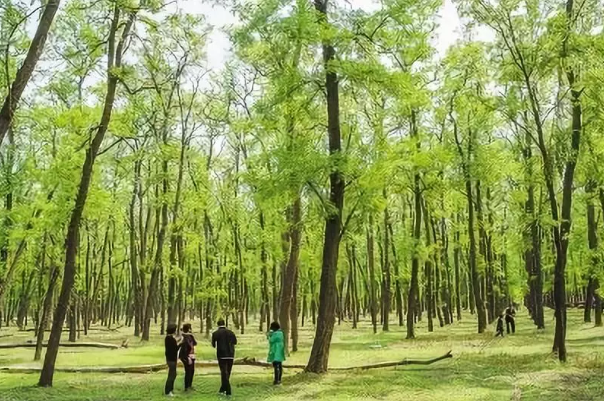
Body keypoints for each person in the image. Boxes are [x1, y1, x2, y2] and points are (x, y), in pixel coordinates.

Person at [212, 318, 238, 397]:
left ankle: (228, 391)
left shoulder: (216, 333)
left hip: (221, 355)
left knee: (224, 372)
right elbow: (235, 342)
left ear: (218, 325)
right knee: (227, 372)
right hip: (231, 354)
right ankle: (222, 389)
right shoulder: (231, 332)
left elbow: (213, 345)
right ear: (224, 324)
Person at [179, 323, 197, 392]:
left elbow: (195, 343)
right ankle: (186, 387)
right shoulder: (183, 337)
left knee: (192, 371)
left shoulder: (190, 336)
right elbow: (183, 348)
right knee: (188, 371)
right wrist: (187, 357)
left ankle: (190, 385)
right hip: (185, 356)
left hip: (191, 355)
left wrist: (191, 335)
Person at [164, 324, 179, 397]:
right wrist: (181, 343)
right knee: (172, 375)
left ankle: (171, 389)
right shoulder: (170, 339)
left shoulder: (168, 338)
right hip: (172, 359)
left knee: (174, 374)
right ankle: (168, 391)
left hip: (170, 358)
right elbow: (175, 349)